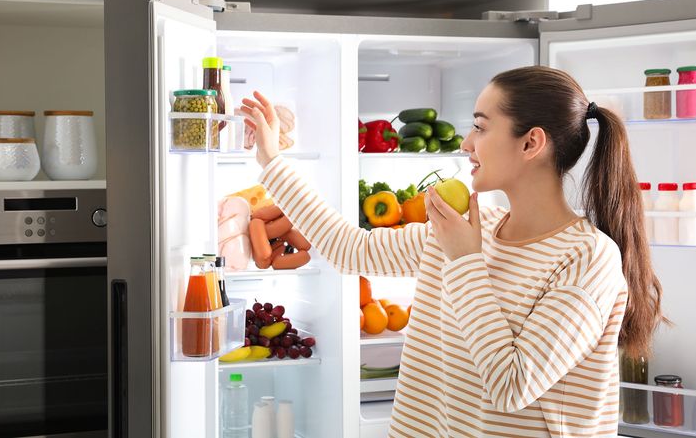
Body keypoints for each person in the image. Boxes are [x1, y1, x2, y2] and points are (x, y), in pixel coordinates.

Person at [239, 66, 663, 437]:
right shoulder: (478, 228)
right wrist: (272, 159)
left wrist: (465, 260)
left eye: (481, 126)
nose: (465, 142)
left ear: (531, 143)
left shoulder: (587, 259)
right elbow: (349, 249)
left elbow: (510, 385)